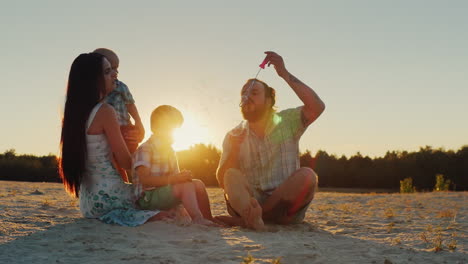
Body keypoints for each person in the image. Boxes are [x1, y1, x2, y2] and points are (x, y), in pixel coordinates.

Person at [216, 51, 325, 230]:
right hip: (248, 203)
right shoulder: (234, 135)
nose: (247, 96)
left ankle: (255, 219)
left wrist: (284, 73)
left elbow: (317, 107)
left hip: (285, 206)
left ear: (268, 101)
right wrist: (235, 150)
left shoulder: (287, 121)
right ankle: (253, 217)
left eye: (255, 92)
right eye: (244, 93)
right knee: (230, 175)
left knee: (307, 176)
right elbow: (223, 181)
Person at [59, 52, 159, 226]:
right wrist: (149, 154)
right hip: (110, 197)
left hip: (89, 203)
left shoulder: (75, 115)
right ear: (93, 79)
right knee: (174, 201)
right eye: (107, 72)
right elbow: (126, 162)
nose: (114, 75)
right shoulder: (105, 111)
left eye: (113, 70)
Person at [133, 105, 216, 226]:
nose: (173, 132)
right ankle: (197, 218)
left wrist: (182, 177)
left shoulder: (170, 152)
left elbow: (176, 178)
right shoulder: (146, 149)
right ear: (156, 128)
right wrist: (174, 179)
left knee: (198, 184)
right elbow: (144, 180)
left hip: (164, 193)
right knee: (185, 186)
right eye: (170, 128)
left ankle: (208, 218)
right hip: (147, 197)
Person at [94, 48, 145, 182]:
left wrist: (138, 122)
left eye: (117, 69)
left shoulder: (121, 87)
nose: (115, 73)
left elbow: (130, 105)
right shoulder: (95, 93)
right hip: (107, 132)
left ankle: (139, 184)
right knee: (113, 162)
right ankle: (123, 183)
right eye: (110, 69)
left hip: (125, 129)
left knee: (131, 159)